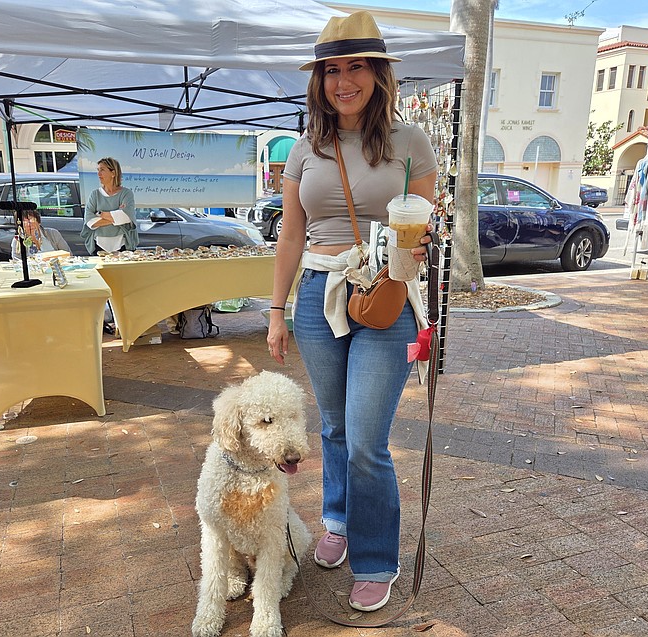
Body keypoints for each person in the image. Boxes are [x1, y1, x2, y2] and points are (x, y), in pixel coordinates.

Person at [266, 10, 437, 613]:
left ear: (378, 73)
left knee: (367, 439)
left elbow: (420, 230)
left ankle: (375, 558)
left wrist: (404, 284)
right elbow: (290, 235)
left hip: (385, 292)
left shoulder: (410, 141)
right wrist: (277, 309)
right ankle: (336, 518)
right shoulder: (305, 146)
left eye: (356, 67)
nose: (343, 80)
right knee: (334, 427)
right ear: (319, 80)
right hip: (317, 293)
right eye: (332, 69)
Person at [81, 157, 138, 254]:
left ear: (113, 173)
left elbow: (126, 217)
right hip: (98, 245)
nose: (99, 174)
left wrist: (100, 214)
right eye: (98, 170)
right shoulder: (95, 195)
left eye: (102, 170)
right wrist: (116, 217)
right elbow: (90, 222)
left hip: (123, 245)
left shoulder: (126, 194)